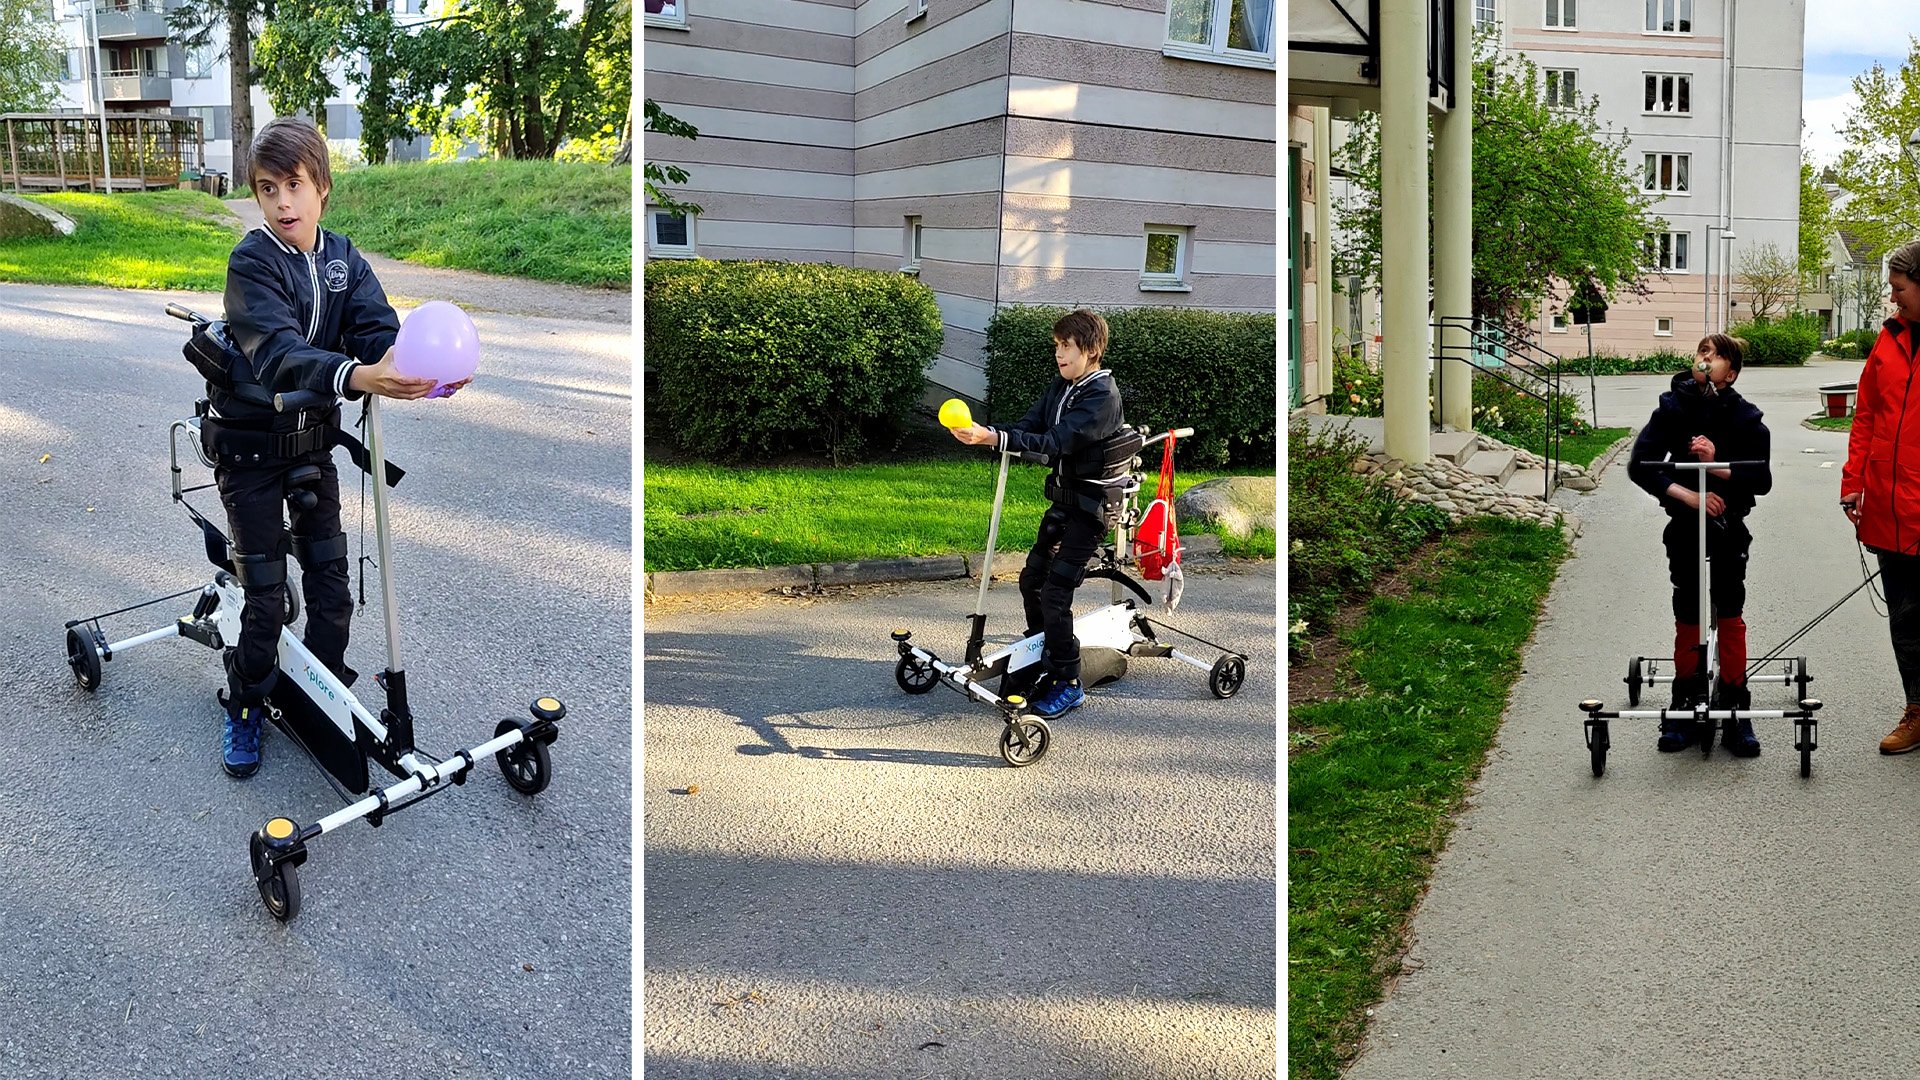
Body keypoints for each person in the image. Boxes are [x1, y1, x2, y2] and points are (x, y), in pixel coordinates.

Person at [205, 117, 466, 778]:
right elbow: (278, 353)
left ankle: (321, 688)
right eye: (268, 189)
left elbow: (377, 330)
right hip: (249, 454)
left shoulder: (345, 259)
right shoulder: (251, 263)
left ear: (322, 187)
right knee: (265, 598)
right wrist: (354, 375)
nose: (283, 202)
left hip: (311, 446)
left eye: (294, 185)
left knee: (330, 586)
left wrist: (420, 371)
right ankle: (244, 700)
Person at [948, 309, 1125, 719]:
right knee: (1032, 580)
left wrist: (995, 436)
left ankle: (1068, 681)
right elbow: (1031, 425)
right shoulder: (1063, 387)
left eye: (1067, 346)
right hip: (1065, 501)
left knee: (1056, 592)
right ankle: (1042, 651)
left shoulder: (1102, 396)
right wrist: (986, 435)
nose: (1060, 355)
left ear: (1091, 349)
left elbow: (1056, 442)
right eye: (1057, 347)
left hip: (1092, 509)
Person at [1627, 333, 1772, 755]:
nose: (1705, 358)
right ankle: (1685, 697)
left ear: (1731, 373)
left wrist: (1717, 465)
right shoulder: (1673, 406)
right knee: (1687, 606)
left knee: (1729, 607)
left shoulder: (1746, 416)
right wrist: (1688, 495)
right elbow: (1642, 466)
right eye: (1701, 352)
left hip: (1728, 523)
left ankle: (1735, 703)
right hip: (1686, 522)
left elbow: (1760, 478)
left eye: (1716, 354)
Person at [1843, 239, 1920, 754]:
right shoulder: (1887, 340)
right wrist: (1853, 482)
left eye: (1900, 290)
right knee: (1907, 618)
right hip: (1889, 508)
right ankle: (1917, 708)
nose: (1894, 301)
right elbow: (1866, 414)